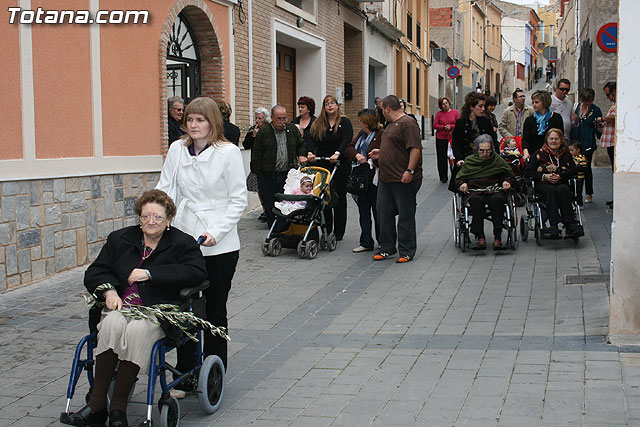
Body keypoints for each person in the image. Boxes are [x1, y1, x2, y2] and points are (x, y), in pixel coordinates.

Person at [62, 190, 208, 427]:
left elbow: (197, 272)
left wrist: (151, 274)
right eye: (145, 216)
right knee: (111, 323)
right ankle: (97, 404)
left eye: (158, 217)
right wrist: (108, 291)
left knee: (137, 331)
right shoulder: (120, 239)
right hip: (121, 307)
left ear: (169, 219)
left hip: (158, 310)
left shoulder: (182, 243)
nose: (151, 221)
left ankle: (117, 408)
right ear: (139, 218)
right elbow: (96, 271)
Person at [155, 97, 247, 384]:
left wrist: (215, 232)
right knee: (184, 308)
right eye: (190, 119)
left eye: (200, 120)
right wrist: (154, 216)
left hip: (219, 243)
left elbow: (237, 200)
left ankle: (214, 371)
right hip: (183, 238)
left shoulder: (228, 152)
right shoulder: (177, 149)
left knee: (214, 309)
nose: (194, 125)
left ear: (212, 122)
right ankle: (185, 372)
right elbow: (165, 188)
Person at [369, 95, 422, 263]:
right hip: (386, 178)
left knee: (405, 215)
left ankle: (406, 251)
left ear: (387, 109)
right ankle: (387, 247)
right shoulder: (390, 125)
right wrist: (381, 153)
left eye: (381, 109)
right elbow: (395, 147)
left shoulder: (408, 123)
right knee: (383, 213)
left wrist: (410, 170)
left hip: (402, 178)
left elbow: (415, 149)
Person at [251, 105, 307, 227]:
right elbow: (256, 154)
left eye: (284, 118)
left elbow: (301, 144)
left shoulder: (292, 129)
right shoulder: (264, 132)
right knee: (269, 204)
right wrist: (259, 173)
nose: (282, 122)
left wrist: (301, 155)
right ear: (272, 118)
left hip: (286, 175)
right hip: (268, 175)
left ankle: (283, 230)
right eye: (279, 119)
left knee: (284, 203)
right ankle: (274, 231)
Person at [456, 135, 515, 250]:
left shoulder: (497, 161)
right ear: (476, 150)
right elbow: (459, 178)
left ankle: (497, 237)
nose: (485, 153)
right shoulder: (469, 162)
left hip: (494, 189)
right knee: (476, 201)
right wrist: (462, 184)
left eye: (488, 150)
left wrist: (506, 181)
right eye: (482, 151)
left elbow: (507, 175)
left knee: (496, 200)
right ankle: (480, 236)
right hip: (475, 190)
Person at [307, 96, 354, 241]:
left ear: (337, 105)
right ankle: (327, 228)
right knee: (324, 195)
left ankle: (339, 232)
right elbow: (313, 140)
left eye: (332, 103)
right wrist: (310, 153)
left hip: (340, 163)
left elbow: (347, 139)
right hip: (323, 162)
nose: (330, 106)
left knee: (339, 196)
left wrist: (338, 153)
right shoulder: (319, 122)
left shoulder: (344, 122)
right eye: (326, 104)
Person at [525, 128, 583, 238]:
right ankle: (554, 225)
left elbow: (575, 169)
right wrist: (544, 176)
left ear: (561, 140)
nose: (553, 141)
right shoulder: (538, 154)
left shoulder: (565, 154)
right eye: (551, 138)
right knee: (550, 190)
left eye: (556, 139)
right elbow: (528, 172)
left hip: (560, 182)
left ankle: (570, 224)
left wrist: (561, 176)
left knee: (563, 189)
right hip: (543, 184)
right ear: (547, 140)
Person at [345, 108, 384, 253]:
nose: (359, 122)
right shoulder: (361, 134)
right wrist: (357, 155)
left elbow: (385, 152)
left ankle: (382, 240)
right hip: (361, 177)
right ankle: (366, 241)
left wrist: (375, 159)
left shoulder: (381, 134)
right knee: (363, 211)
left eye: (361, 120)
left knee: (377, 210)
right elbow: (349, 148)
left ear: (367, 121)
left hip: (374, 178)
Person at [450, 91, 497, 192]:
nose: (483, 109)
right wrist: (459, 159)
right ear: (471, 106)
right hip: (467, 161)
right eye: (480, 106)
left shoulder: (485, 121)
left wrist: (496, 157)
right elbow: (456, 143)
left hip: (485, 159)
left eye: (484, 106)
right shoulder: (461, 123)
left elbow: (493, 141)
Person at [570, 88, 602, 204]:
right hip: (576, 142)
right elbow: (573, 125)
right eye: (585, 100)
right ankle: (576, 194)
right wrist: (575, 121)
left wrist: (599, 127)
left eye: (589, 100)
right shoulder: (576, 108)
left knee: (586, 168)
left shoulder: (596, 110)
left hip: (588, 142)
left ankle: (589, 193)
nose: (587, 103)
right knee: (575, 167)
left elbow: (598, 129)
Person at [243, 107, 271, 222]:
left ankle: (269, 210)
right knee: (259, 188)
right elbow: (246, 145)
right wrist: (253, 136)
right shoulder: (252, 129)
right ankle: (265, 210)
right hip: (256, 164)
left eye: (260, 118)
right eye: (256, 118)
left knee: (268, 188)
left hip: (268, 164)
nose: (257, 121)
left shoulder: (269, 129)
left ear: (265, 119)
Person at [522, 90, 564, 160]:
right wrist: (526, 152)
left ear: (544, 103)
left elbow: (560, 137)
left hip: (552, 155)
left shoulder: (556, 118)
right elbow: (526, 139)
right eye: (533, 102)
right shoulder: (529, 120)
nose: (534, 105)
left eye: (537, 102)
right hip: (534, 155)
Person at [433, 97, 459, 183]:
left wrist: (451, 127)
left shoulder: (455, 112)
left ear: (449, 103)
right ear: (441, 106)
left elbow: (459, 124)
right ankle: (443, 177)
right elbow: (435, 125)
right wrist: (444, 127)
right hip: (441, 138)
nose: (445, 105)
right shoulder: (439, 114)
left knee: (454, 156)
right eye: (443, 104)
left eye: (446, 103)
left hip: (452, 138)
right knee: (441, 158)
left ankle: (455, 174)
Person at [598, 81, 616, 208]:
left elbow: (615, 117)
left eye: (608, 94)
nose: (608, 98)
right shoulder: (614, 104)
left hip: (614, 142)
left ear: (614, 92)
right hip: (610, 142)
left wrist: (602, 119)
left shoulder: (619, 104)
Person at [568, 141, 587, 206]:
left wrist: (576, 168)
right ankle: (573, 202)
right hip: (573, 177)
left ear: (578, 150)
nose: (570, 152)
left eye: (572, 150)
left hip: (579, 178)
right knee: (572, 190)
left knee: (578, 191)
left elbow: (584, 168)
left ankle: (579, 203)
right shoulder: (571, 158)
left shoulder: (581, 158)